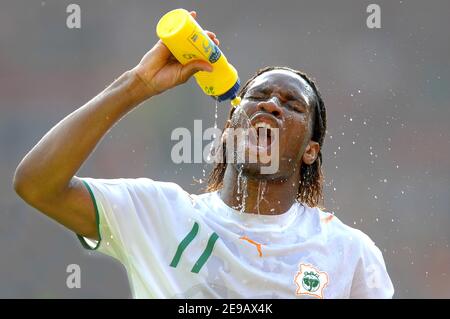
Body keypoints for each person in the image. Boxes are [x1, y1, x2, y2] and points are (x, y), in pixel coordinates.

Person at [13, 11, 394, 299]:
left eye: (292, 105)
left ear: (311, 151)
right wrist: (136, 85)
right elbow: (36, 185)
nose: (272, 106)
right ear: (231, 128)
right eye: (258, 97)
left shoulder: (349, 254)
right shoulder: (158, 213)